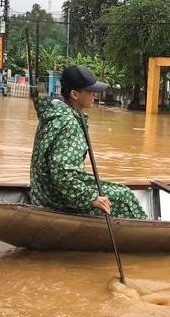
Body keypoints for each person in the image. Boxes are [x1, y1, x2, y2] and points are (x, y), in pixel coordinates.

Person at [29, 65, 147, 219]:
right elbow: (63, 173)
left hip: (44, 191)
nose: (94, 96)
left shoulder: (54, 112)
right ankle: (143, 232)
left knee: (119, 189)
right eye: (90, 92)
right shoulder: (69, 123)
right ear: (75, 94)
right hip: (55, 199)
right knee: (124, 197)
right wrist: (91, 198)